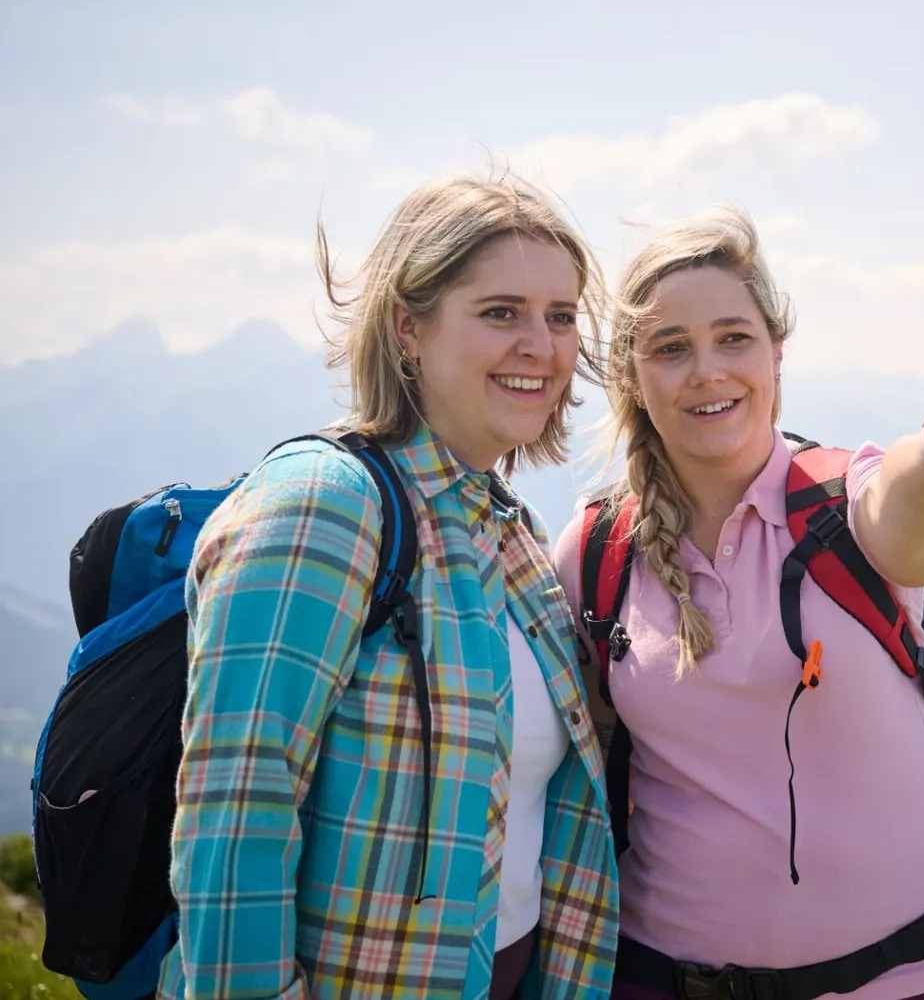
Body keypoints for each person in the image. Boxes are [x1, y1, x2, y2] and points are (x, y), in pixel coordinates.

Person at [552, 207, 924, 1000]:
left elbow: (905, 507)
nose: (708, 371)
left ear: (776, 352)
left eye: (734, 338)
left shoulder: (836, 507)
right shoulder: (595, 552)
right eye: (671, 348)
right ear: (631, 375)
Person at [159, 175, 619, 1000]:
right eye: (501, 311)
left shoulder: (511, 535)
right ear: (409, 326)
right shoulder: (323, 509)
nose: (543, 348)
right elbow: (236, 821)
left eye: (560, 316)